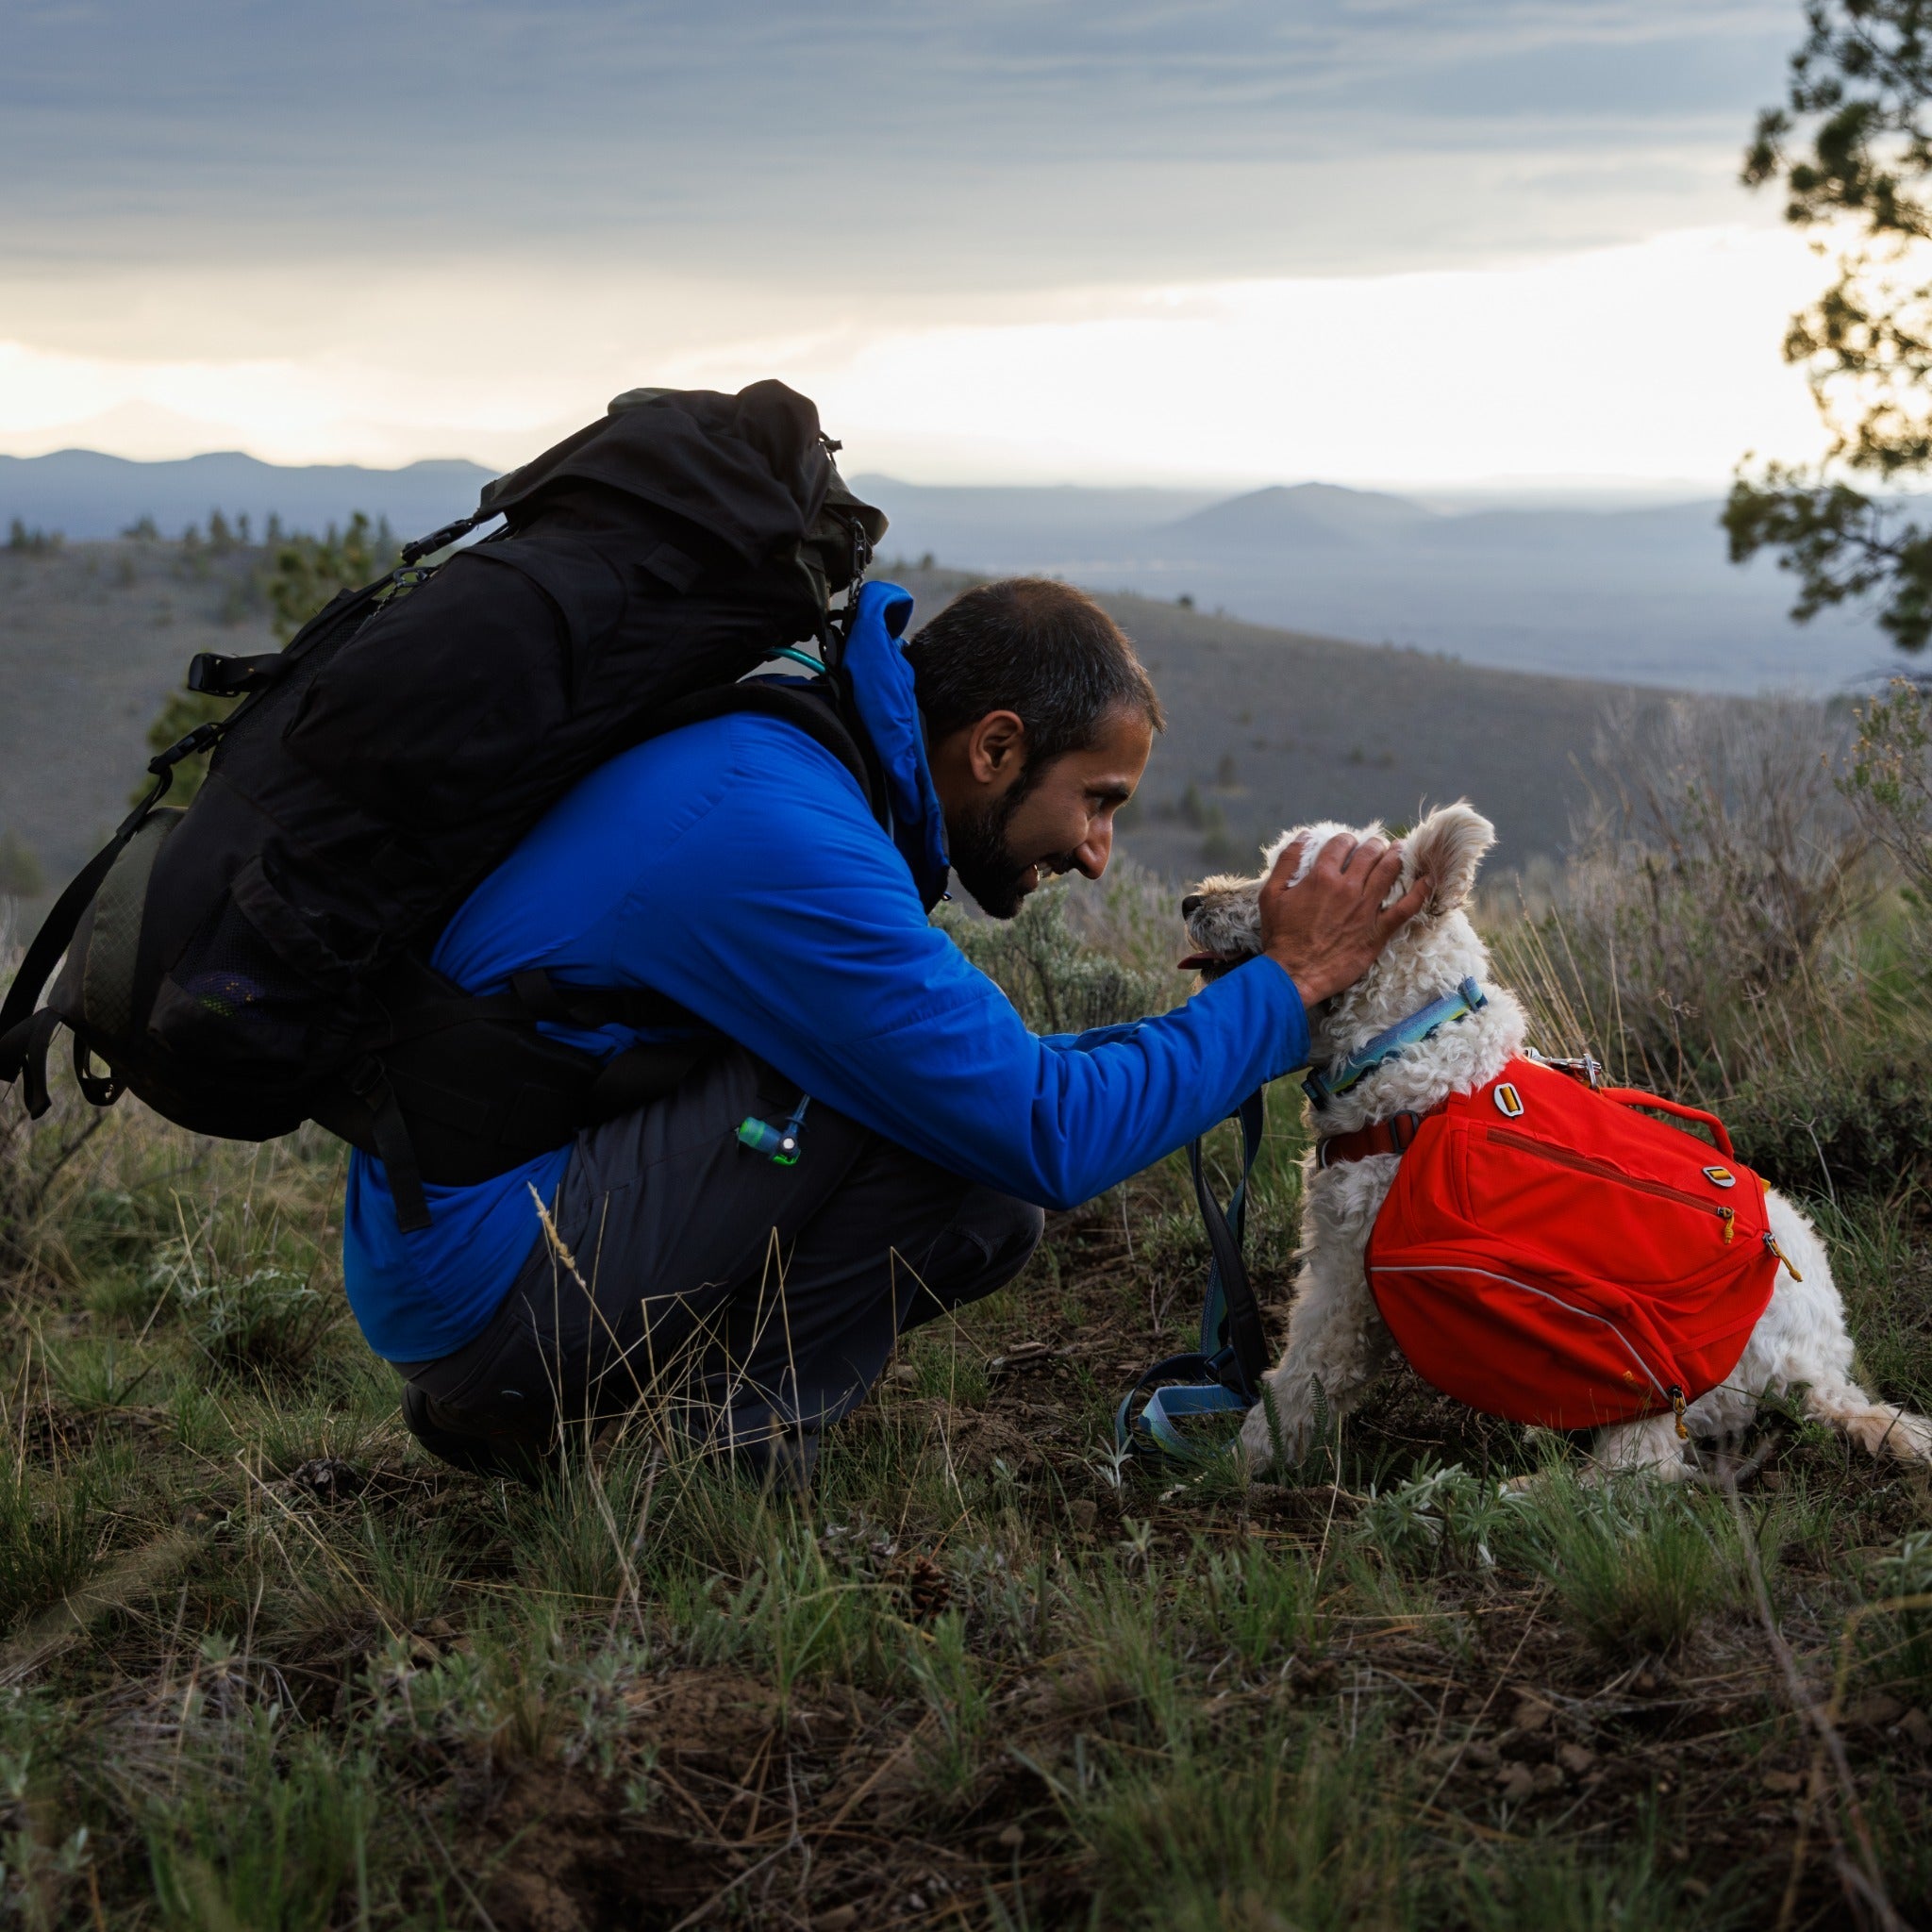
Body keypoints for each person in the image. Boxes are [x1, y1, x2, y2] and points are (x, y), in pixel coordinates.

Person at [351, 575, 1428, 1482]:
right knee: (956, 1147)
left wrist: (1236, 1017)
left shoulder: (789, 764)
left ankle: (582, 1408)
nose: (1098, 850)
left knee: (968, 1170)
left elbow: (999, 1088)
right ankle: (707, 1463)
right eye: (1095, 800)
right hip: (486, 1282)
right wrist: (1285, 986)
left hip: (484, 1234)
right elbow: (1043, 1132)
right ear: (995, 746)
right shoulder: (779, 833)